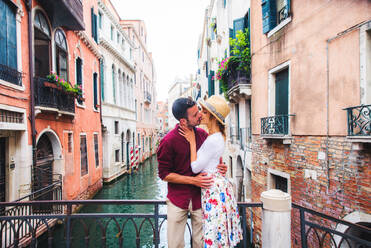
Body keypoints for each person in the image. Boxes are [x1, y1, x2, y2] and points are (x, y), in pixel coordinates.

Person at [157, 97, 228, 248]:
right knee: (175, 244)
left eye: (199, 112)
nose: (200, 115)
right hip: (177, 200)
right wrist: (193, 180)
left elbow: (214, 160)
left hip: (201, 199)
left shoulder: (203, 135)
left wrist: (222, 167)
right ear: (183, 121)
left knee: (201, 243)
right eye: (195, 115)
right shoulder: (168, 141)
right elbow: (164, 174)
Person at [178, 95, 242, 247]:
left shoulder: (212, 139)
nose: (201, 114)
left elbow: (195, 167)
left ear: (213, 117)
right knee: (217, 232)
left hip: (212, 189)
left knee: (214, 232)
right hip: (217, 186)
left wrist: (192, 142)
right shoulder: (217, 136)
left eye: (204, 112)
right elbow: (213, 162)